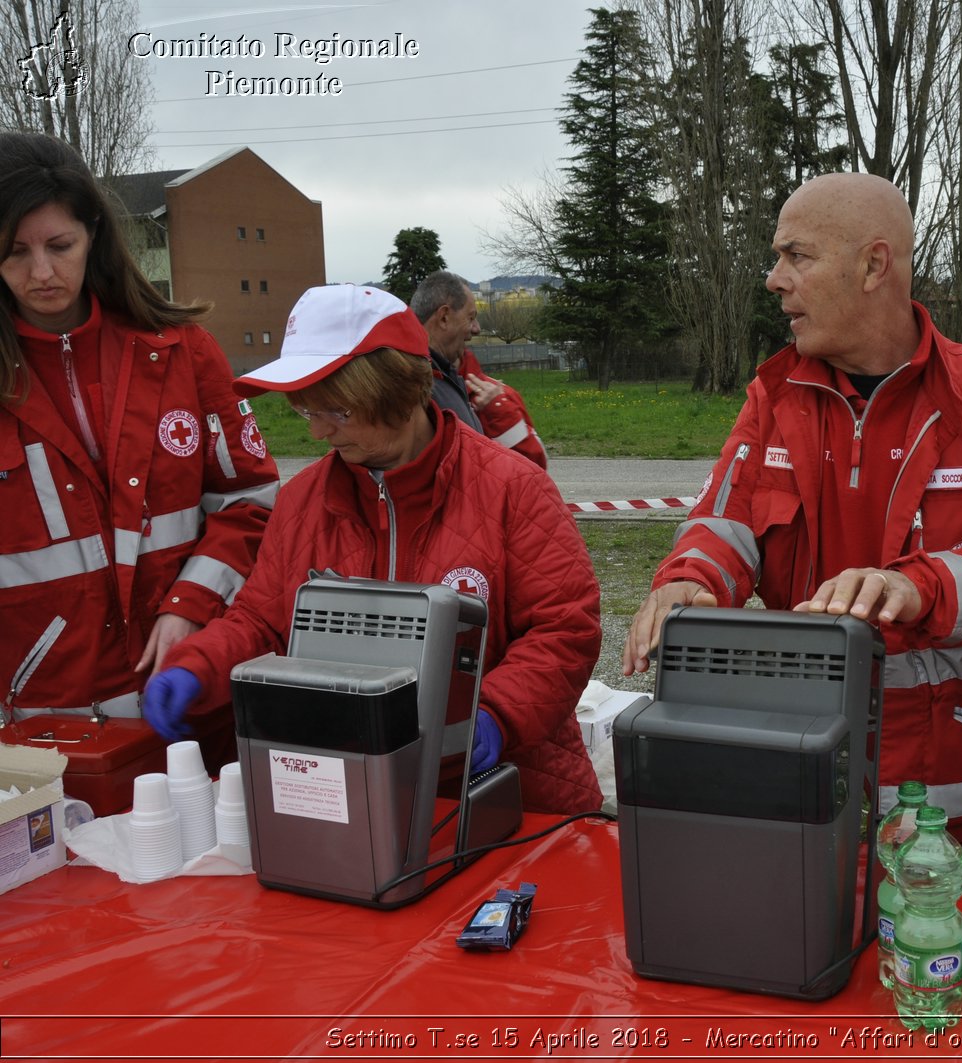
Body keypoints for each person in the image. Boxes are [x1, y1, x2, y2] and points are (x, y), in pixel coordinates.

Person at [623, 173, 962, 854]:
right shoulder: (776, 393)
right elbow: (725, 517)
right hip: (813, 782)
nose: (774, 280)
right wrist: (691, 577)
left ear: (874, 265)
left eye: (796, 256)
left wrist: (918, 585)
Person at [144, 284, 601, 813]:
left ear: (397, 392)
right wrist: (197, 666)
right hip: (357, 793)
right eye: (304, 411)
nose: (316, 431)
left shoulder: (513, 490)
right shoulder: (301, 502)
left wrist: (499, 712)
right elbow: (263, 622)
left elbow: (565, 628)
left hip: (506, 791)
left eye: (334, 410)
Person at [0, 130, 277, 729]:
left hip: (185, 698)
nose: (41, 271)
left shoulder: (182, 350)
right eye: (14, 252)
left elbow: (250, 503)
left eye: (59, 244)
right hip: (40, 730)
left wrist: (193, 605)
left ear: (94, 234)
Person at [410, 270, 547, 467]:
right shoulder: (406, 385)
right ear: (444, 317)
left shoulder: (494, 394)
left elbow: (536, 466)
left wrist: (499, 414)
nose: (477, 328)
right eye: (471, 317)